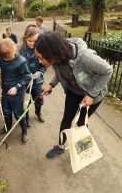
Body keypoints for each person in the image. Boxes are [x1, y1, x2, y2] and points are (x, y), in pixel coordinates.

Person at [34, 31, 113, 159]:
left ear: (52, 53)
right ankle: (60, 147)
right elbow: (62, 72)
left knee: (81, 122)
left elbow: (108, 70)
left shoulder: (85, 57)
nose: (40, 61)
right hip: (74, 91)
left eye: (41, 57)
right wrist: (51, 85)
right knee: (66, 119)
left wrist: (91, 95)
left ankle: (84, 151)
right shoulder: (59, 56)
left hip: (92, 94)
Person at [0, 39, 31, 143]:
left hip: (17, 94)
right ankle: (7, 127)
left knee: (18, 113)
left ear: (14, 50)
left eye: (8, 57)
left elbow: (27, 77)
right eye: (4, 58)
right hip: (5, 92)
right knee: (6, 111)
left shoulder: (21, 61)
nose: (6, 60)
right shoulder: (3, 59)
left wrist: (17, 87)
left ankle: (24, 131)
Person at [19, 25, 46, 127]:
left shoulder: (40, 49)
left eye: (34, 41)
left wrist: (40, 72)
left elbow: (44, 64)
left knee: (39, 99)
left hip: (37, 81)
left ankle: (38, 112)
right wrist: (24, 74)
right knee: (26, 101)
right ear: (25, 39)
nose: (32, 43)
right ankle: (27, 117)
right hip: (25, 82)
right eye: (29, 40)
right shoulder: (20, 51)